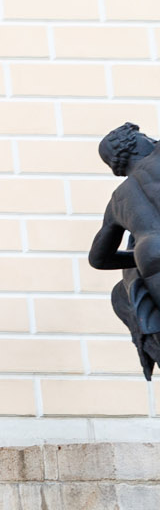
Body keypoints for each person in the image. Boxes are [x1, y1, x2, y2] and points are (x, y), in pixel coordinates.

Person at [89, 122, 160, 379]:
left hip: (150, 254)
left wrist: (137, 259)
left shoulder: (118, 199)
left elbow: (98, 259)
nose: (150, 139)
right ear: (134, 144)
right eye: (144, 136)